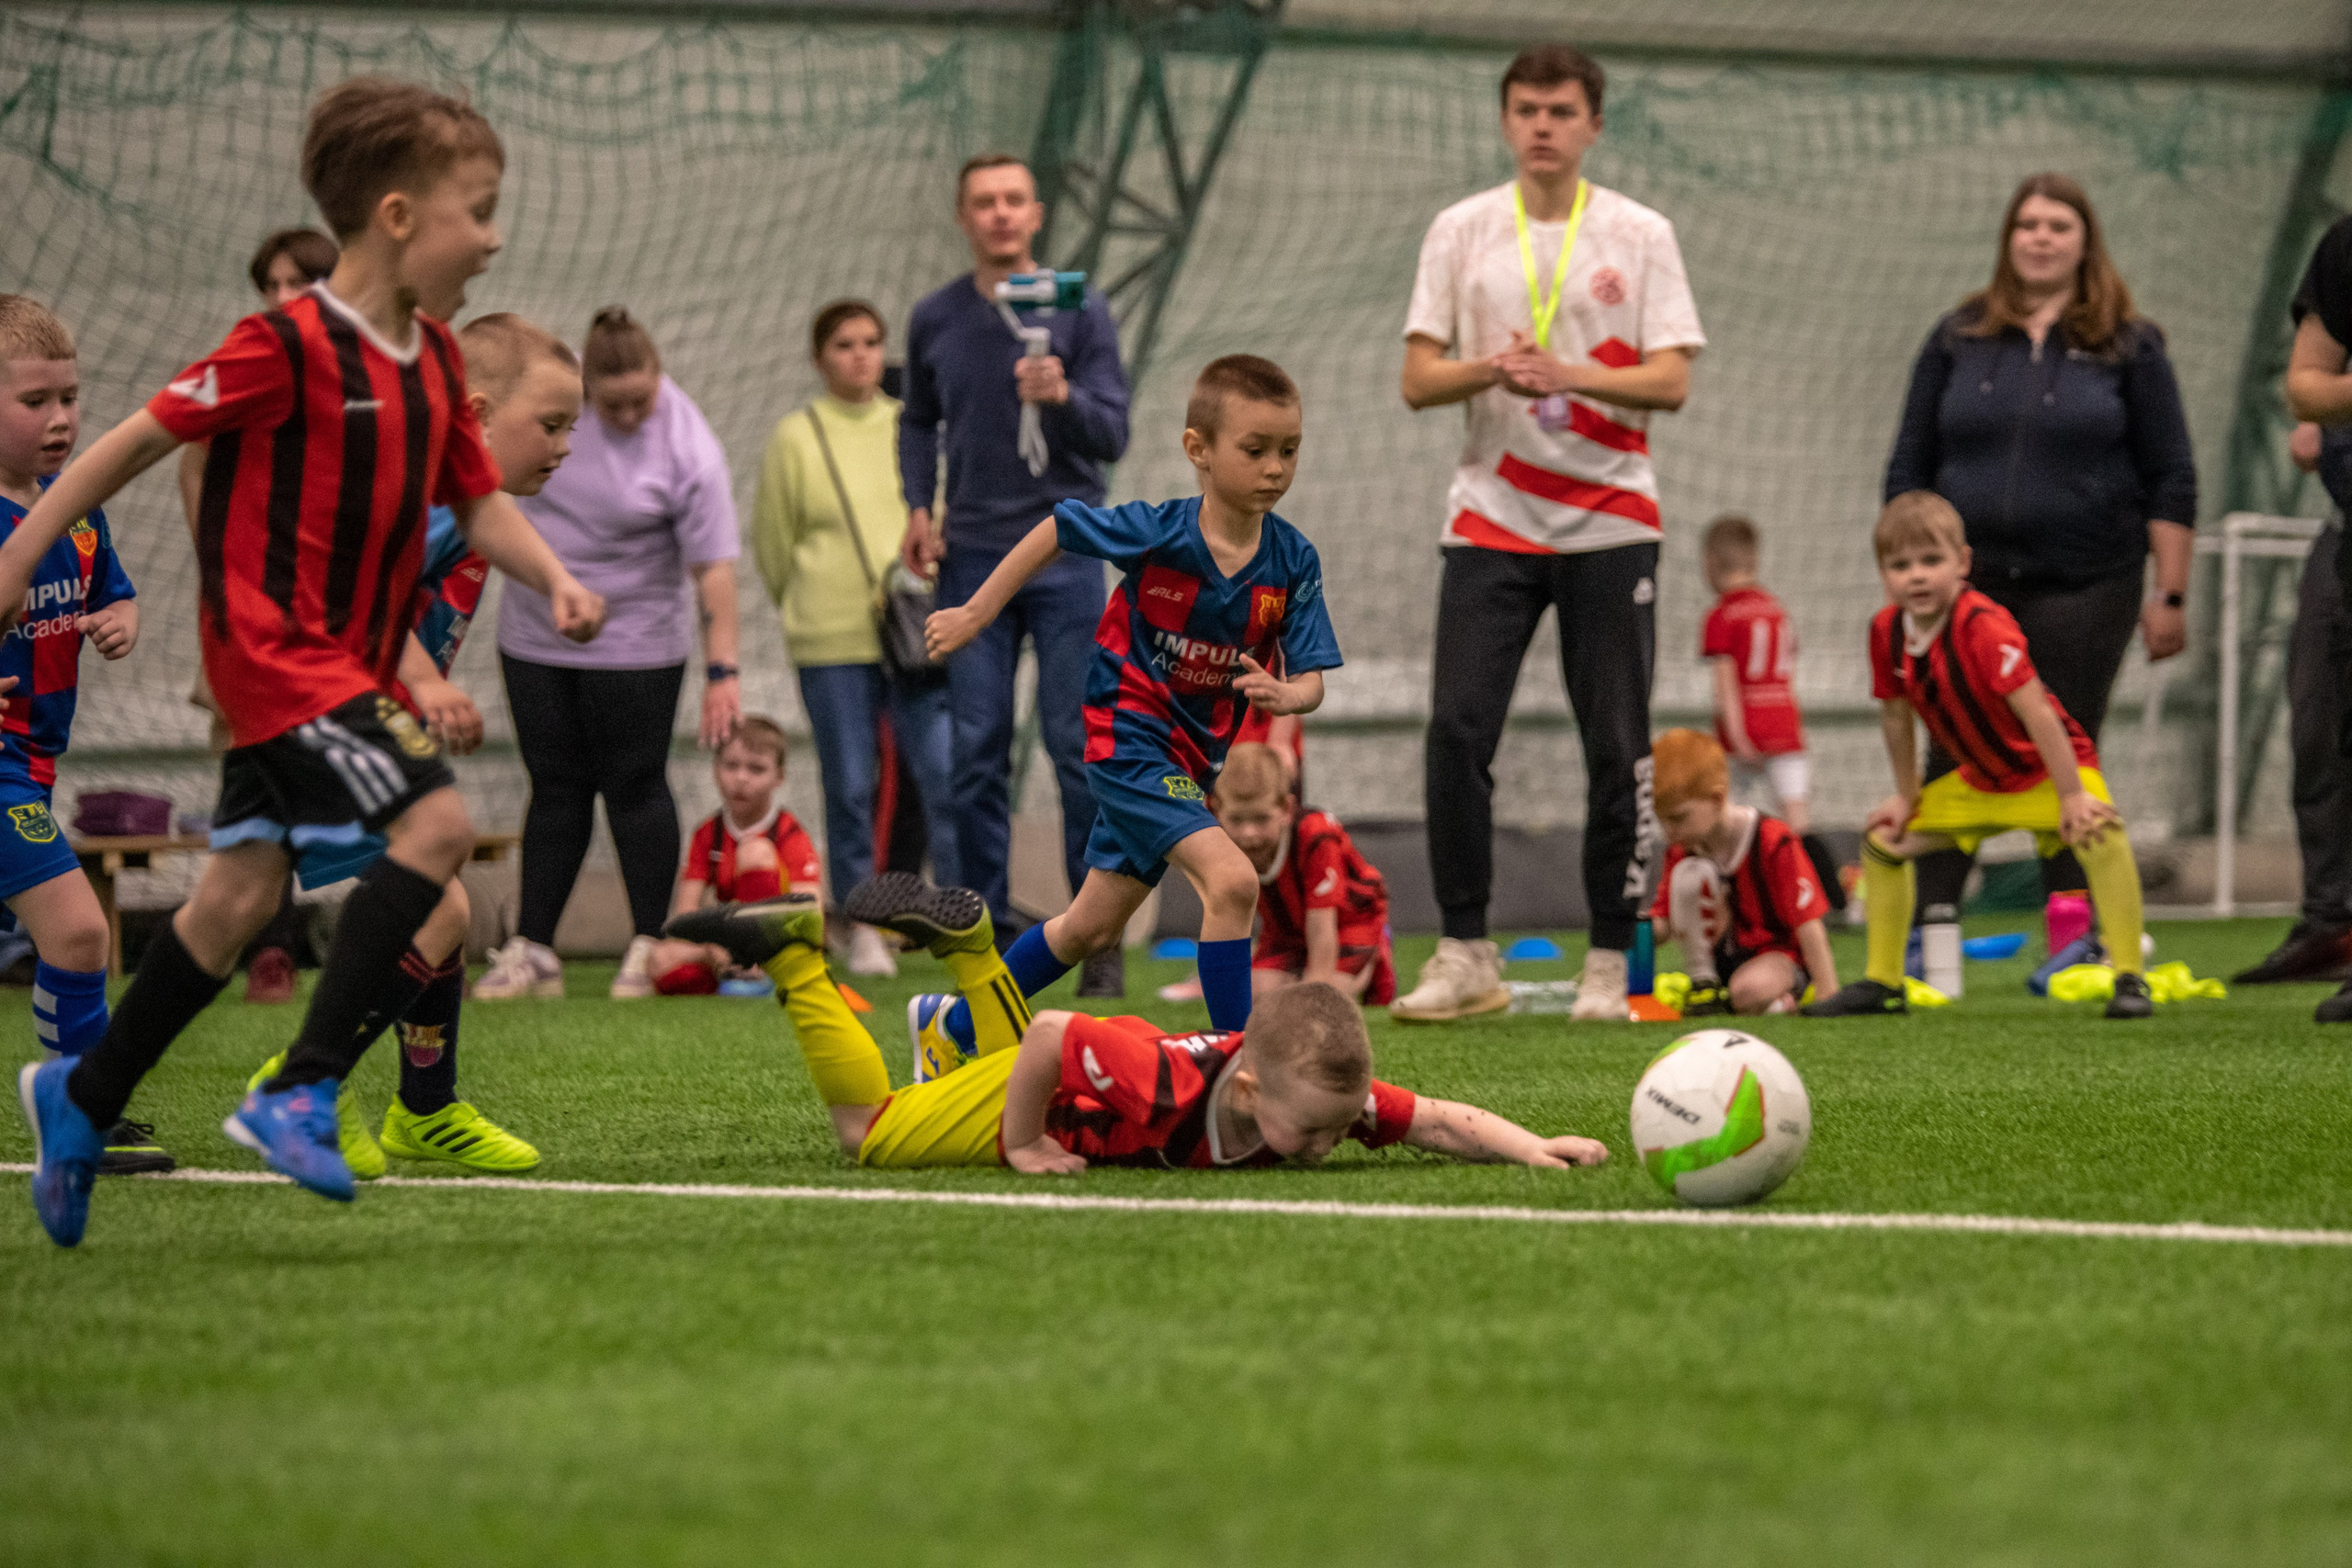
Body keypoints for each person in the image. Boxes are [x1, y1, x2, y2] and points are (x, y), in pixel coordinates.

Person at [10, 76, 606, 1247]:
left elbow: (474, 501)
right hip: (281, 662)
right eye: (476, 210)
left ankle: (81, 1100)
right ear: (396, 216)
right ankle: (301, 1086)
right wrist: (21, 552)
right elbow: (135, 443)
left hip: (332, 667)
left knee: (234, 901)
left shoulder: (434, 361)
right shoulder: (284, 345)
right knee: (433, 834)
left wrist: (557, 579)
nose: (492, 237)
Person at [1397, 42, 1704, 1025]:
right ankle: (1464, 948)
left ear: (1593, 125)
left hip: (1611, 520)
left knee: (1614, 745)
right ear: (1503, 120)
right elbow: (1416, 378)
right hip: (1489, 518)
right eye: (1525, 109)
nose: (1542, 126)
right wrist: (1494, 369)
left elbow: (1671, 380)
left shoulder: (1640, 232)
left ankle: (1609, 962)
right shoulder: (1460, 231)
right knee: (1456, 729)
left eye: (1561, 111)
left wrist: (1565, 375)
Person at [917, 355, 1338, 1069]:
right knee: (1232, 880)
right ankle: (1243, 1069)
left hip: (1186, 764)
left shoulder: (1292, 561)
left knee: (1088, 927)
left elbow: (1313, 681)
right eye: (1256, 450)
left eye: (1289, 451)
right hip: (1126, 738)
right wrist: (977, 611)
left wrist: (1285, 691)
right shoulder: (1160, 532)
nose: (1275, 468)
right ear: (1198, 450)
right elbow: (1058, 527)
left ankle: (950, 1027)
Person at [240, 310, 583, 1179]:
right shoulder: (431, 502)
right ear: (472, 412)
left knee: (438, 909)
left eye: (570, 427)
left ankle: (421, 1107)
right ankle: (299, 1084)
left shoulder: (472, 505)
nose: (565, 445)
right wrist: (425, 683)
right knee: (439, 909)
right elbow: (350, 603)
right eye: (550, 425)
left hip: (362, 719)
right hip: (329, 715)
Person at [667, 879, 1611, 1174]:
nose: (1330, 1143)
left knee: (1008, 1063)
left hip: (1083, 1078)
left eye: (1339, 1124)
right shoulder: (1170, 1084)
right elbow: (1050, 1039)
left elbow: (1437, 1117)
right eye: (1316, 1130)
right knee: (864, 1135)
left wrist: (1535, 1151)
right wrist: (1024, 1143)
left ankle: (973, 955)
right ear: (1245, 1088)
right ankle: (794, 950)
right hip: (1057, 1082)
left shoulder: (1309, 1086)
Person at [1883, 172, 2194, 980]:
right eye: (2028, 224)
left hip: (2089, 580)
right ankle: (1930, 937)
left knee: (2064, 746)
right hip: (1968, 590)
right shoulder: (1960, 335)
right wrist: (1911, 568)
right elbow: (1910, 464)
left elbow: (2172, 475)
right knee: (1955, 747)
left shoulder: (2129, 343)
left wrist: (2171, 593)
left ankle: (2073, 940)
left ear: (2085, 240)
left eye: (2059, 224)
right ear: (2008, 238)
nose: (2042, 237)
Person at [899, 152, 1130, 995]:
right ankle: (984, 933)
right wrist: (916, 505)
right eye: (983, 203)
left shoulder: (1082, 309)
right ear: (963, 218)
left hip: (1069, 559)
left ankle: (1094, 934)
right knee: (975, 753)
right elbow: (917, 421)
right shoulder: (935, 318)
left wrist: (1065, 396)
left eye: (1013, 201)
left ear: (1036, 215)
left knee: (1080, 752)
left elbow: (1115, 434)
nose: (999, 214)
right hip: (970, 559)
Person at [1804, 493, 2149, 1021]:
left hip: (2047, 775)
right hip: (1980, 783)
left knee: (2102, 831)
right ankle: (1883, 983)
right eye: (1900, 565)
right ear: (1882, 574)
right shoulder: (1885, 632)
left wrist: (2074, 794)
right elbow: (1896, 717)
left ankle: (2129, 977)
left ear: (1963, 564)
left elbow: (2040, 716)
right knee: (1883, 843)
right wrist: (1907, 796)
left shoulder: (1985, 626)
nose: (1916, 576)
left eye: (1931, 561)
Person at [482, 306, 741, 1002]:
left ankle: (649, 944)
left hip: (639, 645)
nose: (626, 415)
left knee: (634, 786)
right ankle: (533, 948)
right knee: (557, 785)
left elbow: (713, 568)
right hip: (537, 635)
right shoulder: (559, 416)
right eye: (610, 402)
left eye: (641, 400)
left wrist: (724, 673)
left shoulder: (688, 443)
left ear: (660, 378)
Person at [0, 295, 163, 1176]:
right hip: (2, 777)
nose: (61, 419)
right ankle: (79, 1115)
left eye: (71, 397)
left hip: (31, 770)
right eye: (35, 402)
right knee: (80, 935)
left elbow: (118, 589)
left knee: (76, 937)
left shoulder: (78, 513)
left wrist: (122, 619)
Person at [751, 299, 956, 978]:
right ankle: (863, 926)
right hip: (829, 637)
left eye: (871, 341)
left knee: (940, 771)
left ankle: (956, 918)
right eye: (843, 344)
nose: (861, 355)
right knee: (848, 784)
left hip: (911, 630)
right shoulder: (795, 436)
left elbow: (940, 513)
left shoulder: (910, 424)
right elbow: (773, 545)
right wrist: (810, 604)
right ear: (819, 357)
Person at [177, 226, 343, 1005]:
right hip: (251, 630)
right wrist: (227, 583)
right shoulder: (246, 367)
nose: (283, 298)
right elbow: (184, 453)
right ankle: (269, 949)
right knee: (256, 806)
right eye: (270, 284)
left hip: (336, 629)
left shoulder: (356, 376)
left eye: (299, 282)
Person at [2256, 211, 2352, 1012]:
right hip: (2345, 524)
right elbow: (2307, 385)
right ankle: (2333, 921)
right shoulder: (2346, 245)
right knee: (2322, 723)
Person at [1647, 728, 1838, 1017]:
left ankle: (1787, 993)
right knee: (1689, 874)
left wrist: (1827, 993)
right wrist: (1623, 937)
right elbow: (1663, 921)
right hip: (1719, 961)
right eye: (1662, 820)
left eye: (1678, 818)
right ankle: (1704, 983)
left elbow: (1808, 922)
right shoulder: (1681, 849)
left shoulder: (1774, 840)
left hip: (1777, 956)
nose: (1668, 831)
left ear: (1717, 798)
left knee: (1748, 991)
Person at [645, 716, 822, 996]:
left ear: (779, 777)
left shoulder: (789, 833)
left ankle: (759, 970)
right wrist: (711, 949)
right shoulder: (707, 833)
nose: (741, 778)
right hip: (728, 945)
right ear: (715, 769)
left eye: (756, 769)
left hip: (780, 943)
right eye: (731, 765)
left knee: (755, 850)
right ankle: (738, 973)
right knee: (659, 959)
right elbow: (684, 917)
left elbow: (812, 917)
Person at [1215, 742, 1394, 1006]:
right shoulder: (1216, 840)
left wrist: (1315, 991)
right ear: (1217, 810)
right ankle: (1299, 976)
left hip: (1349, 923)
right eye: (1237, 820)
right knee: (1257, 997)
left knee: (1329, 999)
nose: (1249, 834)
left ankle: (1376, 952)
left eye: (1261, 819)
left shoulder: (1316, 836)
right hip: (1285, 932)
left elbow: (1322, 927)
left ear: (1286, 809)